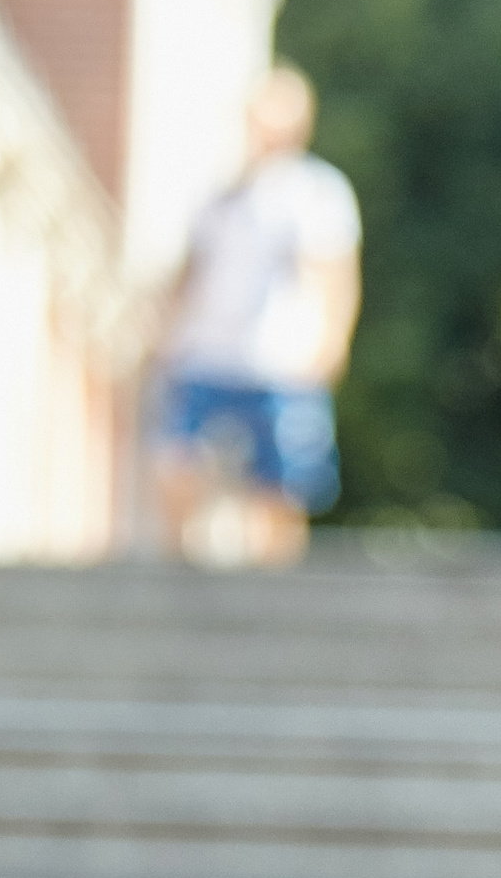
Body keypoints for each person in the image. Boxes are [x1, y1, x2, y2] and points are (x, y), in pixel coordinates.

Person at [151, 64, 361, 565]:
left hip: (281, 362)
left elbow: (336, 276)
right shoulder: (221, 195)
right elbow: (191, 271)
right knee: (178, 463)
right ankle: (180, 581)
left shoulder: (317, 192)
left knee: (280, 487)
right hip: (207, 354)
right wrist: (162, 332)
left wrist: (332, 342)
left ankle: (275, 591)